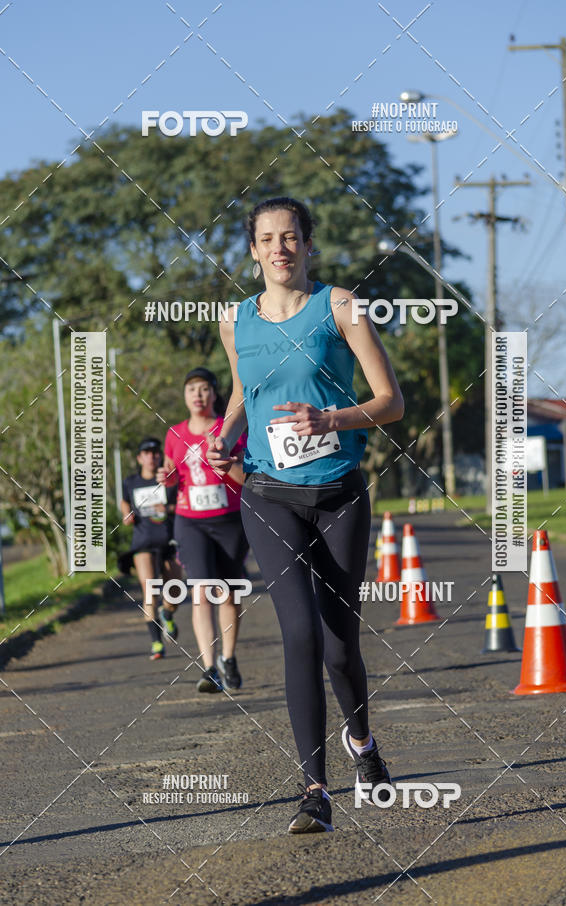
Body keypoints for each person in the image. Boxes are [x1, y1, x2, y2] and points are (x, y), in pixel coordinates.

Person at [207, 196, 405, 834]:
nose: (279, 248)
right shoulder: (236, 321)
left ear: (308, 244)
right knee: (300, 635)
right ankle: (314, 790)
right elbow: (242, 392)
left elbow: (390, 401)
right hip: (268, 494)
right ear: (254, 250)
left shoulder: (340, 307)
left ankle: (363, 744)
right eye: (267, 238)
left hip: (338, 494)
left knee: (342, 646)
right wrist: (225, 431)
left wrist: (332, 419)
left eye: (290, 236)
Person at [157, 367, 249, 694]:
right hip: (190, 520)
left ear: (213, 393)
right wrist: (166, 480)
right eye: (191, 389)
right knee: (201, 589)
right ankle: (208, 667)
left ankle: (228, 657)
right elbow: (172, 478)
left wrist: (226, 460)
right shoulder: (174, 433)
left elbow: (245, 477)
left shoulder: (231, 427)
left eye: (203, 388)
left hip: (229, 518)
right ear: (184, 397)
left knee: (228, 592)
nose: (197, 395)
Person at [120, 437, 181, 661]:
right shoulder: (131, 482)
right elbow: (124, 502)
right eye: (146, 453)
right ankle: (156, 642)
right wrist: (126, 514)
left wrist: (167, 507)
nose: (152, 456)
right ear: (139, 458)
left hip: (169, 541)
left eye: (156, 452)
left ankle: (168, 614)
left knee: (174, 590)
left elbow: (182, 503)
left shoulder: (169, 480)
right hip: (143, 543)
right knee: (150, 590)